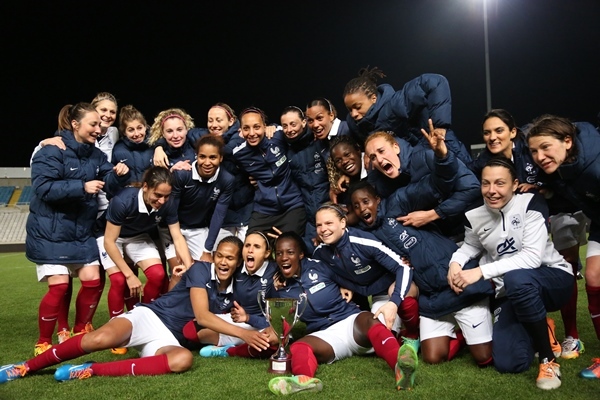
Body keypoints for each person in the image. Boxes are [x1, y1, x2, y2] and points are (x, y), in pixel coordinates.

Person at [0, 237, 270, 384]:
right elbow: (202, 316)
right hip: (151, 317)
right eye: (220, 255)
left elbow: (250, 313)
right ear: (214, 256)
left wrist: (252, 321)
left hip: (170, 340)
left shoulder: (237, 288)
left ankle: (91, 370)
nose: (223, 261)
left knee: (182, 360)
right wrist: (244, 335)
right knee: (99, 339)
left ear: (237, 263)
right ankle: (24, 367)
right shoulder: (201, 269)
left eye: (230, 258)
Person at [448, 157, 573, 390]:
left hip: (552, 277)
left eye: (499, 183)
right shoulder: (474, 214)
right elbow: (471, 245)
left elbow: (532, 258)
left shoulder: (531, 202)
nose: (491, 191)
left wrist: (480, 272)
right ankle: (541, 325)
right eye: (486, 184)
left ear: (515, 184)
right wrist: (455, 263)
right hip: (511, 289)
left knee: (516, 277)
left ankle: (548, 359)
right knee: (509, 363)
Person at [471, 109, 586, 359]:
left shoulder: (530, 149)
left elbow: (557, 173)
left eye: (499, 130)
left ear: (513, 132)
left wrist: (542, 189)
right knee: (517, 271)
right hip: (520, 220)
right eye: (487, 132)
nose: (492, 137)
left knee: (566, 265)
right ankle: (538, 325)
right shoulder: (482, 163)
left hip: (559, 208)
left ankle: (572, 335)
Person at [349, 182, 494, 366]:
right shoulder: (366, 234)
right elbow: (340, 226)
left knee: (483, 358)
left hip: (458, 280)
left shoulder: (398, 203)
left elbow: (435, 184)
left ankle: (474, 333)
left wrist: (430, 213)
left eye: (366, 201)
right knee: (433, 358)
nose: (362, 208)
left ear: (378, 200)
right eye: (356, 206)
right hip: (431, 294)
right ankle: (450, 334)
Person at [25, 103, 130, 357]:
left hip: (81, 231)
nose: (99, 128)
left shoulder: (95, 155)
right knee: (59, 286)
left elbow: (109, 183)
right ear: (75, 124)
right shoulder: (50, 150)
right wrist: (81, 187)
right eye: (93, 124)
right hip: (51, 231)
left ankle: (81, 329)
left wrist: (119, 174)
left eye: (100, 125)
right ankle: (43, 340)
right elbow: (43, 188)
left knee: (93, 281)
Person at [267, 232, 418, 395]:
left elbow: (353, 277)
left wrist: (346, 286)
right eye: (280, 253)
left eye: (290, 252)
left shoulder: (320, 265)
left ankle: (401, 367)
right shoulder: (279, 289)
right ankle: (303, 381)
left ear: (301, 254)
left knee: (369, 318)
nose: (284, 257)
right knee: (299, 346)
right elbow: (279, 320)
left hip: (351, 322)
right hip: (325, 335)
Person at [527, 115, 600, 379]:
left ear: (567, 141)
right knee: (592, 277)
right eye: (534, 150)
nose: (539, 155)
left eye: (545, 147)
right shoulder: (563, 168)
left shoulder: (594, 166)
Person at [98, 166, 194, 354]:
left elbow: (177, 236)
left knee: (158, 275)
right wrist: (129, 275)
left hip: (137, 236)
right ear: (145, 187)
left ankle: (147, 316)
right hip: (110, 237)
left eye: (166, 196)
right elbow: (109, 241)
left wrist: (189, 265)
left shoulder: (168, 202)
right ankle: (115, 328)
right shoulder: (123, 201)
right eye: (158, 195)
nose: (162, 201)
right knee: (118, 280)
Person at [312, 203, 417, 341]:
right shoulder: (320, 253)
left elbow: (403, 267)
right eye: (319, 225)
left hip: (395, 288)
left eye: (329, 223)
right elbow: (315, 271)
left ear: (343, 222)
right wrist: (341, 285)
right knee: (380, 336)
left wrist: (394, 302)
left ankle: (414, 333)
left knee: (398, 298)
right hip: (378, 296)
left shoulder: (363, 242)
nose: (323, 229)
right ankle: (399, 330)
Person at [363, 129, 480, 239]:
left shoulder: (427, 157)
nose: (379, 159)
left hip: (469, 230)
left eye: (381, 151)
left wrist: (432, 214)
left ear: (396, 147)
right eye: (373, 157)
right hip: (438, 242)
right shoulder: (381, 186)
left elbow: (472, 188)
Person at [342, 66, 471, 164]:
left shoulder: (395, 104)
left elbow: (436, 82)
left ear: (374, 98)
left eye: (357, 107)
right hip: (417, 167)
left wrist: (440, 126)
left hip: (443, 148)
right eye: (349, 109)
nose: (354, 114)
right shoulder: (357, 126)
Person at [193, 231, 278, 357]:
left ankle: (229, 350)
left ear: (267, 253)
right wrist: (189, 268)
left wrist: (248, 318)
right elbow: (216, 267)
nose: (250, 250)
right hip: (238, 321)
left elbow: (277, 320)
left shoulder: (275, 272)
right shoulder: (237, 266)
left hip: (264, 324)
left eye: (256, 247)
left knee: (275, 337)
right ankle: (242, 342)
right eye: (247, 245)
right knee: (196, 331)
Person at [229, 107, 306, 236]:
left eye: (257, 127)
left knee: (287, 246)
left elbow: (303, 134)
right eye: (246, 128)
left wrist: (274, 126)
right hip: (264, 210)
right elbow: (216, 149)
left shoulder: (278, 136)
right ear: (241, 130)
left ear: (265, 126)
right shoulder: (238, 153)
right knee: (251, 245)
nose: (252, 133)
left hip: (292, 206)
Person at [160, 135, 234, 267]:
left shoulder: (227, 180)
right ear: (196, 156)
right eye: (202, 157)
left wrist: (207, 250)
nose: (207, 162)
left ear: (220, 158)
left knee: (203, 270)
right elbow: (171, 211)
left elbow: (218, 216)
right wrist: (178, 242)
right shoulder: (182, 174)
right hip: (172, 227)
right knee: (179, 270)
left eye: (212, 157)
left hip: (197, 229)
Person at [280, 106, 330, 250]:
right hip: (309, 217)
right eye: (285, 126)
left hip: (330, 208)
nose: (289, 129)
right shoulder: (285, 150)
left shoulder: (320, 139)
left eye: (293, 124)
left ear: (304, 122)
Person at [111, 104, 153, 185]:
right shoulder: (118, 150)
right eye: (131, 130)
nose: (136, 134)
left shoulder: (155, 145)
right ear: (124, 132)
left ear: (145, 127)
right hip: (128, 195)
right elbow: (112, 184)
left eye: (139, 128)